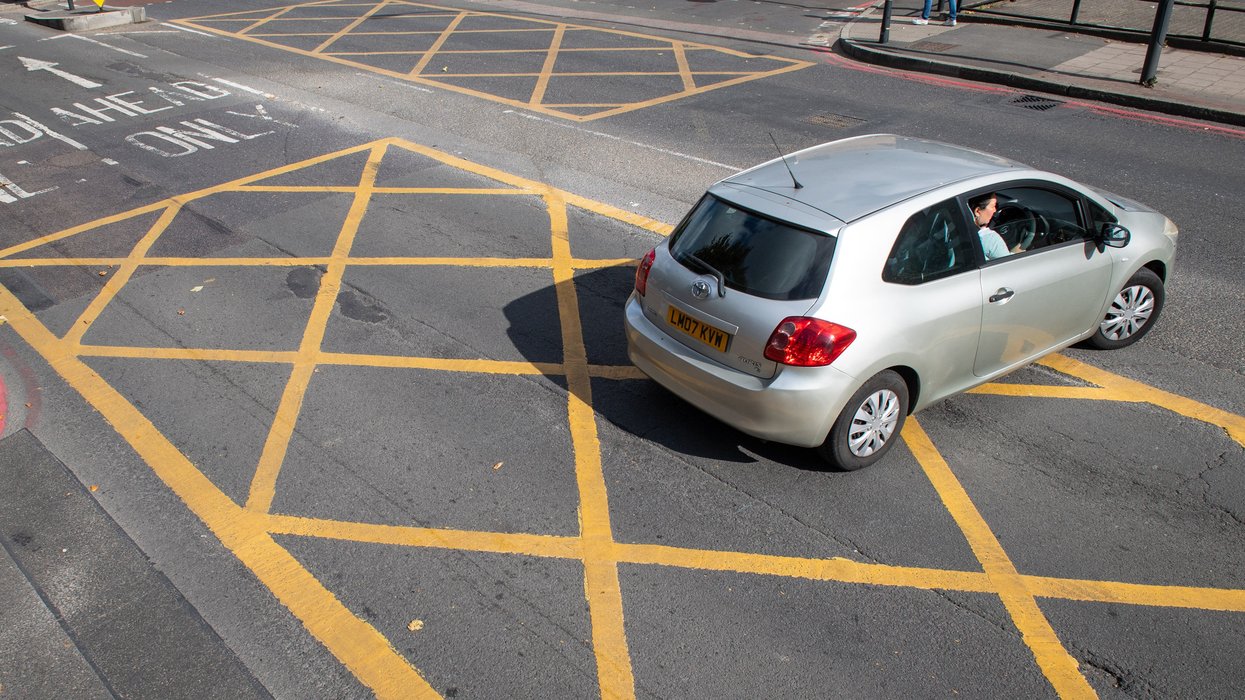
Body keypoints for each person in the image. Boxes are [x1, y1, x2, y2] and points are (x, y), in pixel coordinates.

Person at [971, 192, 1013, 261]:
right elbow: (1010, 265)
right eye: (993, 206)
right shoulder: (990, 238)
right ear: (977, 211)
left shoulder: (951, 227)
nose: (995, 210)